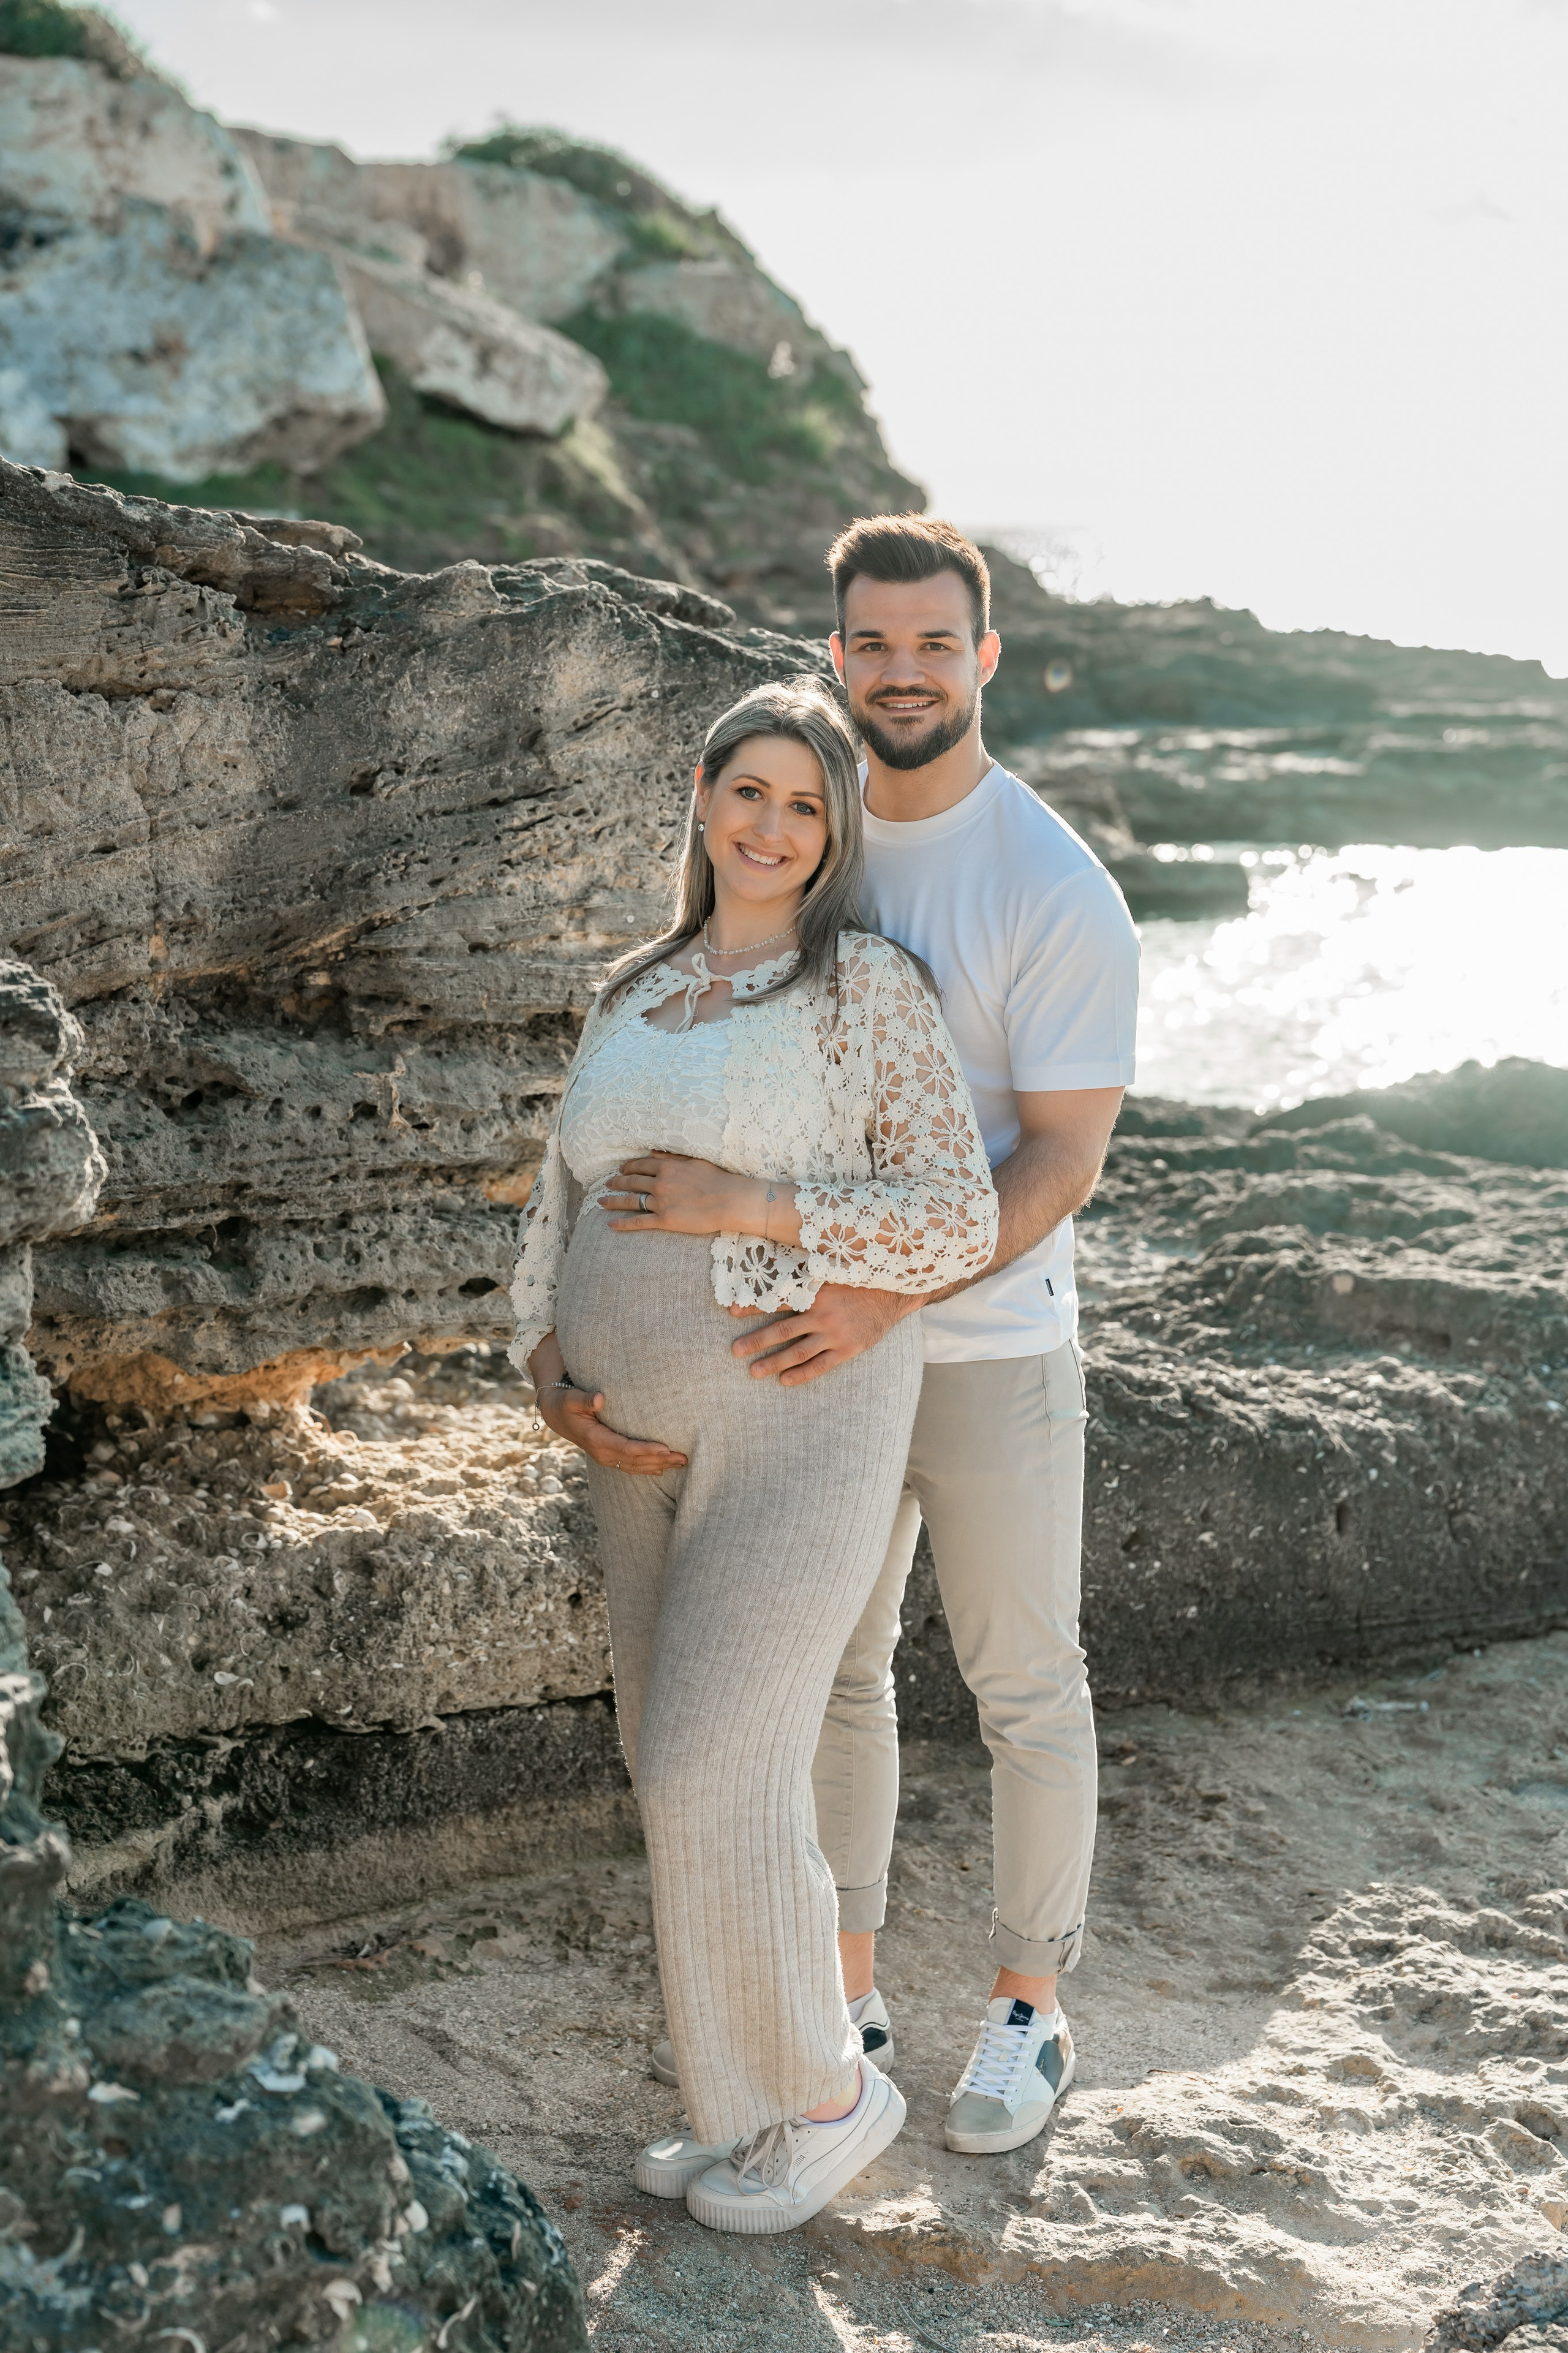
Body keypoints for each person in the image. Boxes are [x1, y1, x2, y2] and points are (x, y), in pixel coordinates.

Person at [510, 678, 997, 2232]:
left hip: (800, 1408)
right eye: (750, 793)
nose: (772, 827)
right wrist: (544, 1369)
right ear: (703, 799)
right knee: (672, 1759)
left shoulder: (862, 989)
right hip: (630, 1439)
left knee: (726, 1754)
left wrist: (759, 1208)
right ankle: (744, 2102)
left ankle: (832, 2095)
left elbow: (953, 1216)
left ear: (834, 830)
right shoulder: (630, 987)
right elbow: (555, 1208)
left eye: (806, 804)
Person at [726, 517, 1140, 2157]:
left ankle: (1031, 2016)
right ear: (839, 656)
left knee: (1023, 1681)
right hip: (824, 1339)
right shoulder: (816, 841)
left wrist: (885, 1292)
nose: (902, 669)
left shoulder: (1054, 885)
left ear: (985, 658)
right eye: (872, 642)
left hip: (986, 1352)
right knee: (838, 1669)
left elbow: (1060, 1157)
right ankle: (848, 1995)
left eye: (933, 642)